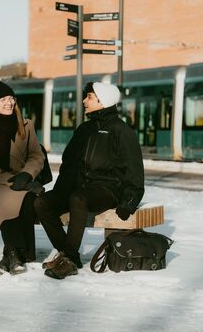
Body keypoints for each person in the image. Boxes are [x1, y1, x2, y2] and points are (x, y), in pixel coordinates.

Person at [35, 81, 144, 279]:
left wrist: (129, 201)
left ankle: (67, 258)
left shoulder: (121, 131)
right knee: (41, 202)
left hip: (108, 189)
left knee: (78, 198)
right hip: (80, 187)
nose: (84, 101)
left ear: (102, 102)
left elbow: (134, 171)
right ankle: (69, 255)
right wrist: (60, 192)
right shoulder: (84, 129)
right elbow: (68, 164)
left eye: (90, 97)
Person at [0, 77, 45, 275]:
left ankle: (12, 254)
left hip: (25, 180)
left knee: (27, 199)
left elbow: (36, 155)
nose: (9, 102)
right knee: (16, 197)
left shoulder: (26, 125)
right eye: (3, 99)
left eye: (11, 98)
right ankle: (18, 252)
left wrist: (26, 174)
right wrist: (17, 181)